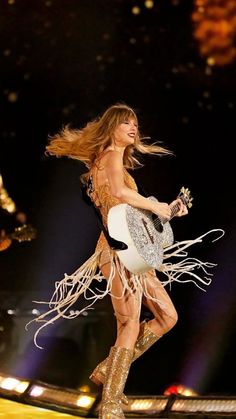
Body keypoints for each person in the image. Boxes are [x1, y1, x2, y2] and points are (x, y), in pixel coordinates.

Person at [27, 103, 222, 419]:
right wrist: (156, 208)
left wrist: (169, 210)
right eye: (126, 122)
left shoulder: (112, 162)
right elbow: (118, 192)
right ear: (112, 128)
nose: (133, 127)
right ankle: (111, 403)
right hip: (117, 252)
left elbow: (134, 212)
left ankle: (108, 370)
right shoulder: (110, 156)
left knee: (167, 317)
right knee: (129, 322)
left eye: (135, 122)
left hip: (130, 250)